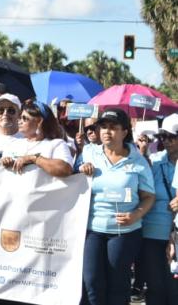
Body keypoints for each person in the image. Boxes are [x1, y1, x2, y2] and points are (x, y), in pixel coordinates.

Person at [77, 108, 155, 305]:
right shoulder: (88, 152)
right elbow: (71, 179)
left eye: (113, 127)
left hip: (125, 231)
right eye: (103, 127)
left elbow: (148, 196)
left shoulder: (138, 160)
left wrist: (135, 215)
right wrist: (80, 170)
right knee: (92, 281)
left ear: (124, 132)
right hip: (92, 230)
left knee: (118, 284)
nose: (106, 131)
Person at [142, 115, 178, 305]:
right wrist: (141, 154)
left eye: (171, 136)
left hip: (177, 235)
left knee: (175, 289)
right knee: (155, 287)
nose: (166, 141)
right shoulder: (153, 161)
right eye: (162, 137)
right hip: (153, 233)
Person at [0, 100, 73, 177]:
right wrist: (5, 161)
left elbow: (65, 169)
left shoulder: (56, 144)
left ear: (39, 121)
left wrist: (33, 159)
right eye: (19, 117)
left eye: (24, 118)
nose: (19, 121)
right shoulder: (13, 144)